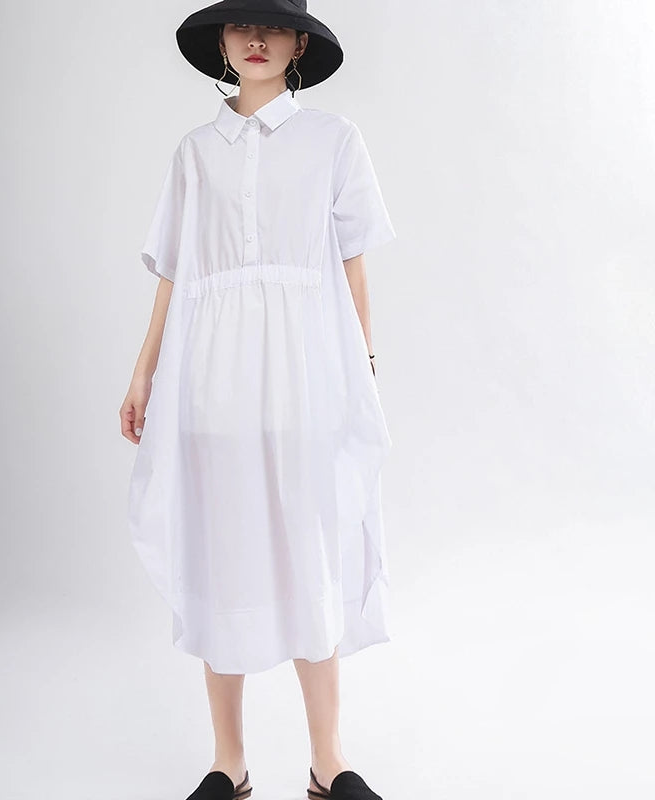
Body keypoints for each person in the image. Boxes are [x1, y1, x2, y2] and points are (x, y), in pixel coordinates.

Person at [119, 2, 397, 798]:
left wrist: (362, 366)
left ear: (299, 42)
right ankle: (229, 762)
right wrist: (143, 371)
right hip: (212, 373)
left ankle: (329, 762)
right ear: (222, 40)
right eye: (241, 26)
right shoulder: (195, 152)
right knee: (221, 549)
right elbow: (176, 271)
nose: (255, 40)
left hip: (305, 370)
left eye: (273, 27)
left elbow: (352, 264)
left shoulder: (334, 140)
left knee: (312, 547)